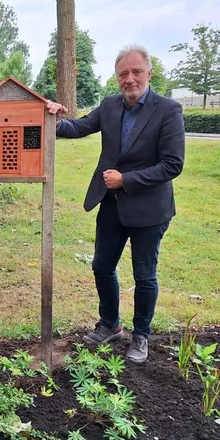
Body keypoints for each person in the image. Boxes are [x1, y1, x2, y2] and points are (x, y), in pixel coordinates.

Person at [47, 44, 185, 364]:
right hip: (111, 204)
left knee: (144, 275)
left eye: (136, 72)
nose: (130, 79)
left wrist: (127, 179)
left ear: (149, 74)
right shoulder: (110, 106)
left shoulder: (168, 110)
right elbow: (79, 126)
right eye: (123, 73)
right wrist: (52, 119)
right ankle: (110, 324)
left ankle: (141, 335)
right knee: (102, 266)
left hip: (149, 209)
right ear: (117, 78)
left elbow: (172, 164)